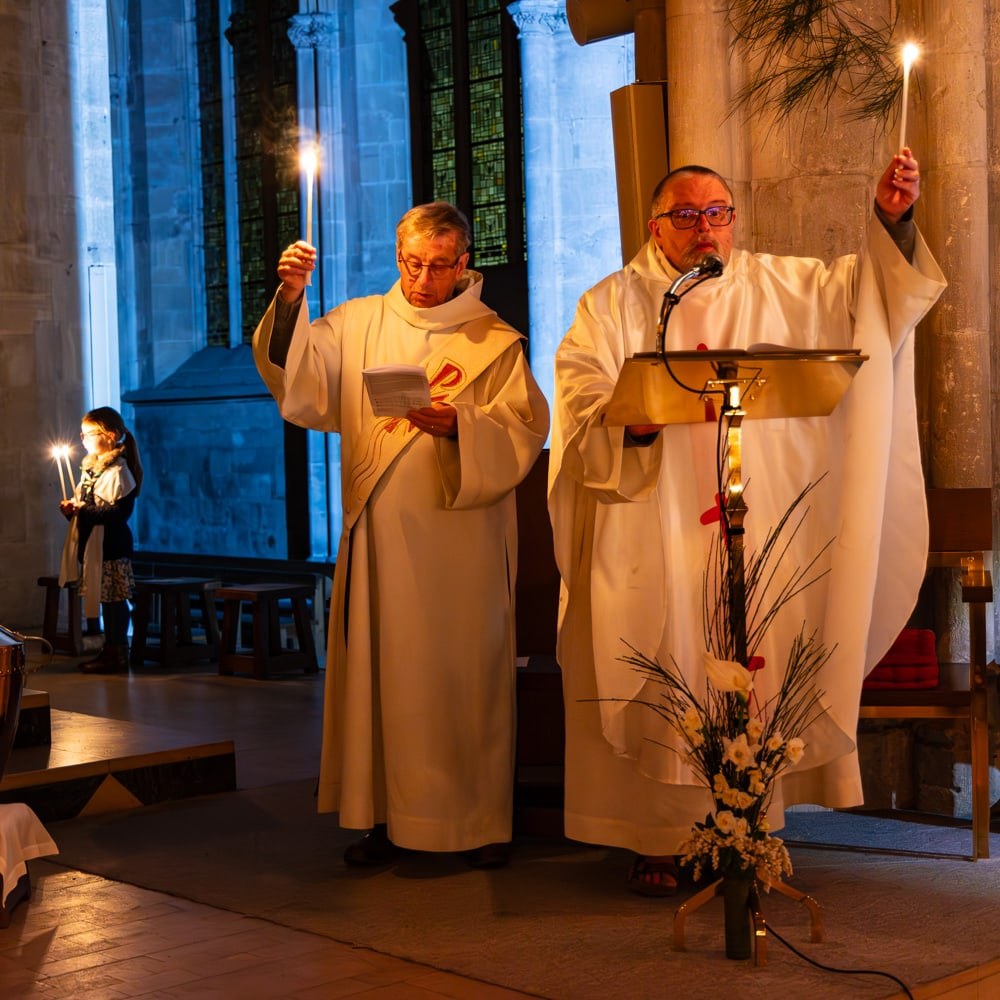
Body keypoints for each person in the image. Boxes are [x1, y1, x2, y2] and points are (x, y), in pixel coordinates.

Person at [548, 150, 947, 895]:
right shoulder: (611, 304)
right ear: (655, 226)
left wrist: (892, 221)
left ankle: (748, 828)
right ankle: (659, 838)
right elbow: (579, 397)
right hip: (655, 527)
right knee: (663, 654)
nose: (706, 229)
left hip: (752, 525)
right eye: (687, 215)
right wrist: (630, 421)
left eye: (718, 213)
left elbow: (871, 299)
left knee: (753, 649)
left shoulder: (783, 285)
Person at [253, 201, 549, 868]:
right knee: (385, 679)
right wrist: (292, 297)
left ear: (463, 263)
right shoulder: (358, 322)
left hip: (463, 544)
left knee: (461, 681)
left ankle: (475, 826)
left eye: (438, 266)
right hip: (382, 538)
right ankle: (386, 819)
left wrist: (462, 427)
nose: (421, 280)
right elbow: (299, 380)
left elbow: (526, 428)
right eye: (411, 264)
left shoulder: (492, 340)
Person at [58, 406, 143, 674]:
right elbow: (88, 509)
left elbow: (118, 513)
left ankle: (117, 652)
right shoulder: (91, 470)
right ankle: (110, 648)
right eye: (82, 434)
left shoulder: (119, 471)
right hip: (95, 546)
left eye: (89, 434)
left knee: (114, 600)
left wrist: (82, 511)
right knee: (106, 599)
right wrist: (72, 511)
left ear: (110, 435)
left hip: (113, 547)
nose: (83, 439)